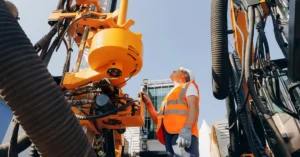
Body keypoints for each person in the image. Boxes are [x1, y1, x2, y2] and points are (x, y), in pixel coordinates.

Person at [142, 67, 200, 157]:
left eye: (178, 70)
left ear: (184, 75)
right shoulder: (168, 97)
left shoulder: (189, 86)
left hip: (183, 134)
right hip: (169, 137)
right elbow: (158, 121)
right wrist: (149, 104)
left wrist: (186, 130)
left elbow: (193, 107)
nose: (174, 70)